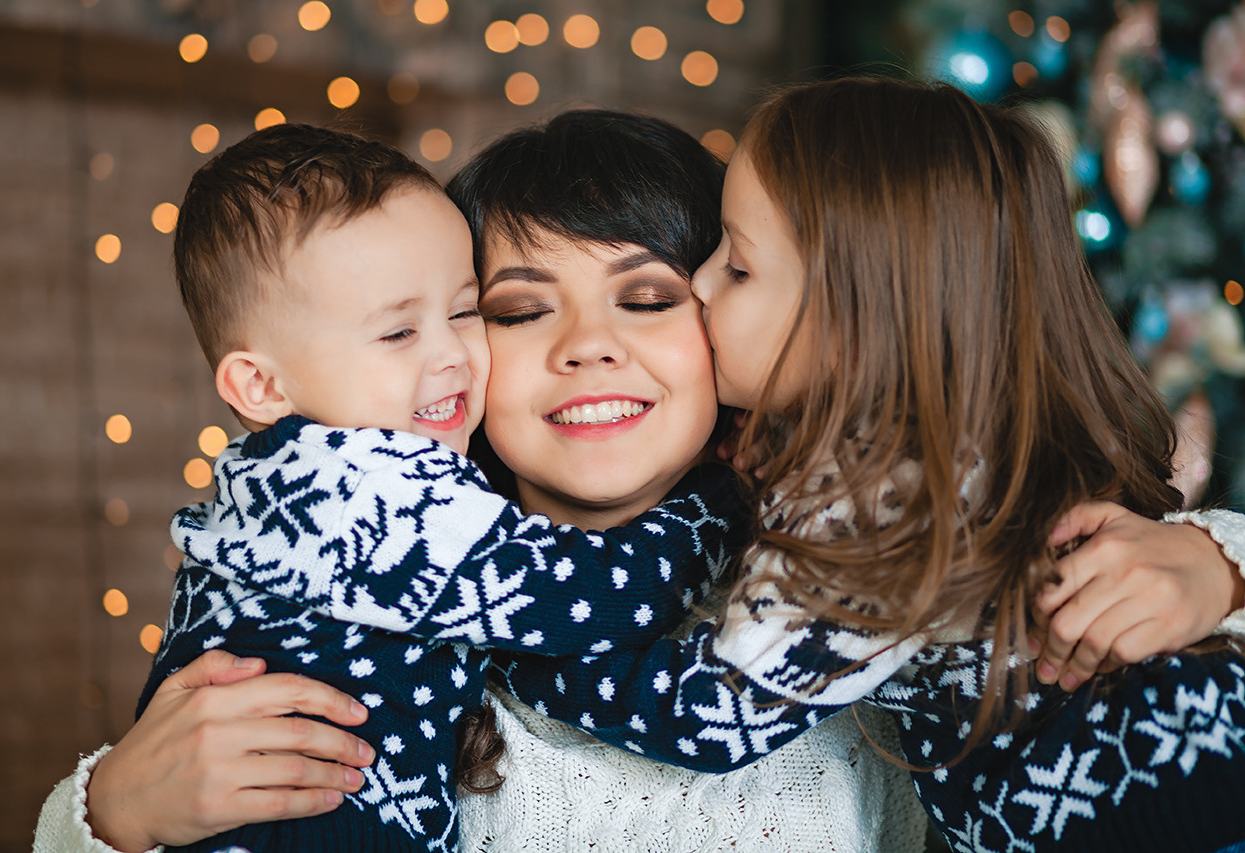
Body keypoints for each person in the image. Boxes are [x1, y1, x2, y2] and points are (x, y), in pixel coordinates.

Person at [35, 105, 1245, 852]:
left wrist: (1222, 562)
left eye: (655, 294)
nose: (585, 346)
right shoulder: (398, 585)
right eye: (511, 310)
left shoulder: (834, 547)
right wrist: (107, 817)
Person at [483, 78, 1245, 852]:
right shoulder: (918, 471)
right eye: (515, 311)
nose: (703, 286)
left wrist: (514, 650)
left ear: (854, 322)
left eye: (736, 268)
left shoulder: (885, 492)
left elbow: (713, 714)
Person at [88, 121, 750, 853]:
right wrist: (106, 814)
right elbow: (599, 596)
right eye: (519, 312)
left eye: (463, 312)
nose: (451, 355)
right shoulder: (363, 496)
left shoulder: (830, 618)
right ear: (260, 384)